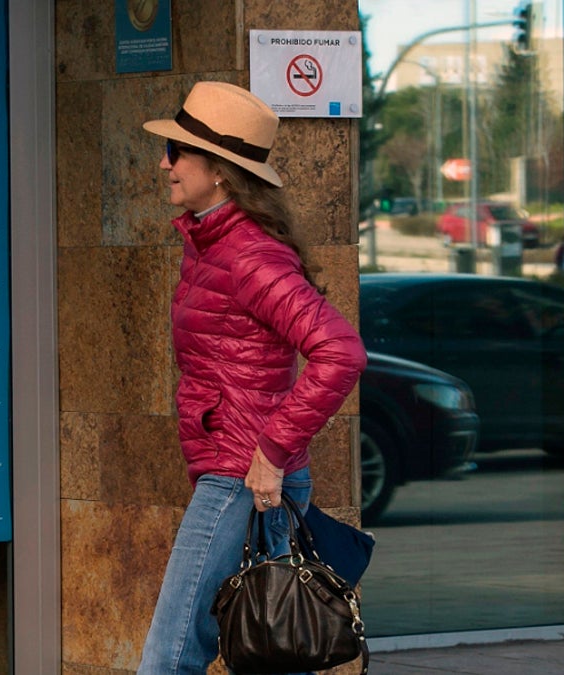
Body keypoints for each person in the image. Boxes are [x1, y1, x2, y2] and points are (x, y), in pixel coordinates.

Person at [136, 81, 367, 674]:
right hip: (247, 471)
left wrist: (271, 449)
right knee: (272, 648)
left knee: (171, 655)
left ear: (218, 169)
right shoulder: (210, 242)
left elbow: (340, 351)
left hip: (240, 474)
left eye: (178, 152)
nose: (165, 163)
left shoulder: (247, 255)